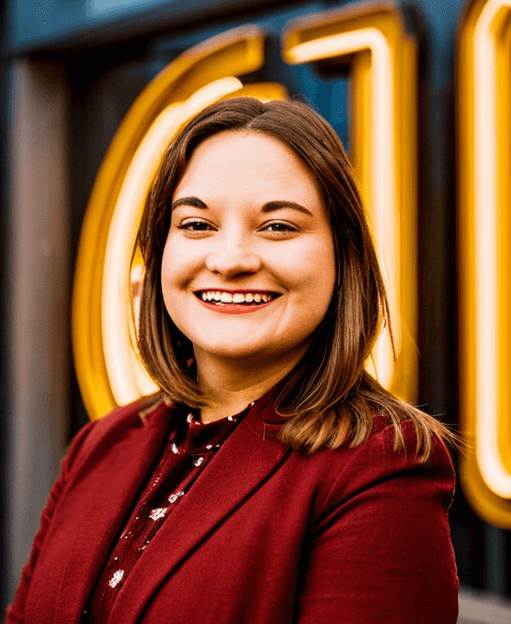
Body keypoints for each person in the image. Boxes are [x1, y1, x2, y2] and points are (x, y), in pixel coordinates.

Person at [7, 97, 459, 623]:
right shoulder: (103, 444)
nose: (229, 260)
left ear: (345, 258)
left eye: (278, 227)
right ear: (157, 254)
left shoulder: (381, 465)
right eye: (197, 225)